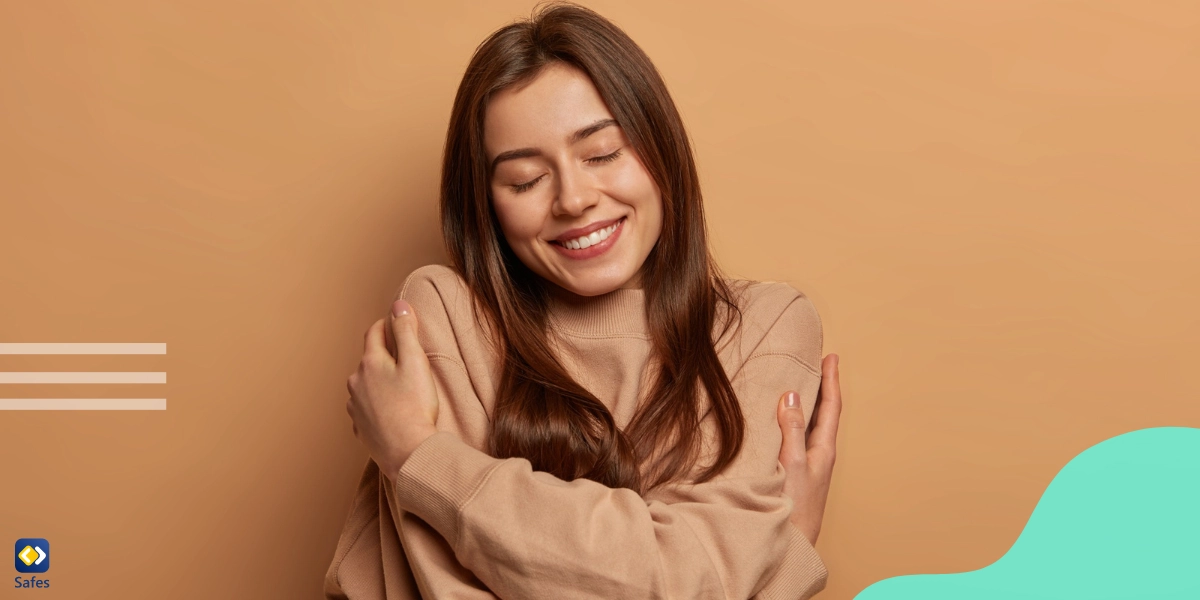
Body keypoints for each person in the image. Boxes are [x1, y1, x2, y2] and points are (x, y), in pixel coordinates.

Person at [327, 2, 842, 598]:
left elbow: (680, 583)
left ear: (661, 149)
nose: (573, 199)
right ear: (485, 203)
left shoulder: (762, 327)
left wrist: (420, 458)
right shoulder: (442, 316)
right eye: (524, 179)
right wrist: (782, 563)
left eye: (602, 154)